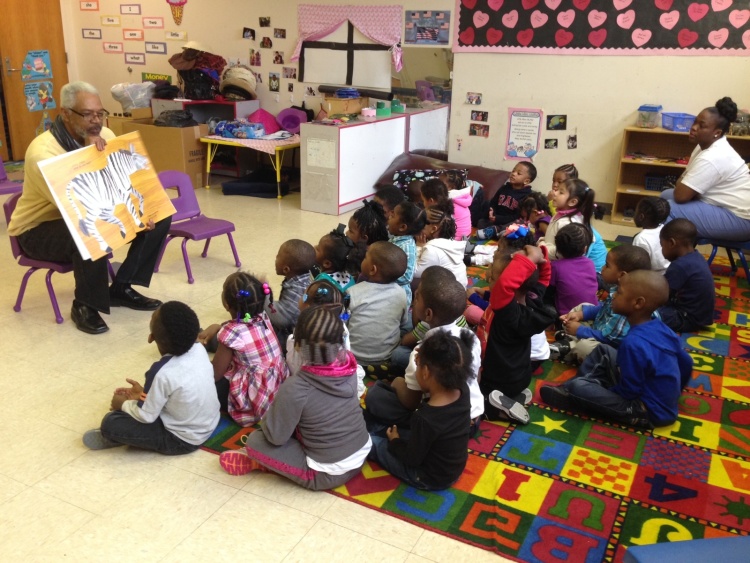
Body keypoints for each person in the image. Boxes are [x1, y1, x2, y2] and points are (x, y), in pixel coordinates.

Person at [7, 81, 170, 335]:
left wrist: (142, 214)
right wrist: (87, 153)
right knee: (88, 230)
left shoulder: (105, 135)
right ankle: (85, 304)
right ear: (65, 114)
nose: (96, 121)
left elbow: (120, 181)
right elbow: (78, 207)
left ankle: (121, 287)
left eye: (100, 113)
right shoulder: (42, 153)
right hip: (36, 229)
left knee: (159, 216)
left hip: (82, 214)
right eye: (87, 115)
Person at [218, 305, 371, 491]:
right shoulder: (350, 366)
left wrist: (273, 416)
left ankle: (264, 463)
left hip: (324, 474)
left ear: (297, 346)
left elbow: (275, 437)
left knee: (255, 442)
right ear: (341, 341)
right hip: (361, 453)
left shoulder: (296, 387)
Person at [541, 270, 694, 429]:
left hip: (645, 410)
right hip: (653, 397)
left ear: (638, 303)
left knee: (579, 387)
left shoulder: (632, 343)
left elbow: (629, 391)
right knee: (604, 350)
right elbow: (686, 362)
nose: (613, 296)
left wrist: (607, 391)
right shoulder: (663, 328)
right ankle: (576, 389)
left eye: (619, 293)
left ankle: (574, 394)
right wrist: (673, 393)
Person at [83, 301, 220, 453]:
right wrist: (143, 394)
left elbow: (145, 416)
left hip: (182, 440)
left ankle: (116, 437)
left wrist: (122, 404)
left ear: (151, 338)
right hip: (211, 422)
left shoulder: (161, 372)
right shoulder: (199, 349)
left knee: (111, 423)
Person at [364, 266, 484, 431]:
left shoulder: (422, 353)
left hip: (443, 427)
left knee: (376, 396)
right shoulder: (470, 338)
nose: (414, 299)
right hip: (472, 419)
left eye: (417, 297)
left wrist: (398, 384)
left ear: (428, 314)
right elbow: (476, 376)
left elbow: (410, 402)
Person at [365, 330, 473, 490]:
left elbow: (411, 458)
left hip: (427, 476)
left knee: (374, 443)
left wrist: (394, 442)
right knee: (394, 430)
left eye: (418, 365)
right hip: (450, 466)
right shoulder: (462, 390)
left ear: (426, 372)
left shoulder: (425, 418)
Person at [198, 272, 289, 427]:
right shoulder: (263, 316)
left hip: (254, 399)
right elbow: (243, 325)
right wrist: (218, 327)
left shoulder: (231, 332)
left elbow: (215, 374)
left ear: (226, 304)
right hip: (278, 388)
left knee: (204, 386)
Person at [481, 245, 556, 424]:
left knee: (470, 395)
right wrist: (541, 259)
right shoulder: (532, 299)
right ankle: (513, 396)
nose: (487, 276)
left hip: (496, 380)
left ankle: (498, 409)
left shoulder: (507, 312)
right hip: (519, 376)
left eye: (493, 277)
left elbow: (503, 289)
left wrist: (529, 261)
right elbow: (544, 280)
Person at [661, 97, 750, 241]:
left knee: (666, 209)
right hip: (721, 205)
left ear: (717, 132)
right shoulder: (702, 146)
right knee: (665, 195)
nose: (694, 127)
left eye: (702, 126)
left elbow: (681, 195)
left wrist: (689, 190)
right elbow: (682, 184)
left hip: (740, 219)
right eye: (695, 122)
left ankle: (666, 256)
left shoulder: (713, 156)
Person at [553, 244, 652, 362]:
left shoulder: (629, 305)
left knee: (584, 348)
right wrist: (581, 314)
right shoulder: (617, 289)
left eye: (607, 265)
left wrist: (581, 330)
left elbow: (610, 339)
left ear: (622, 275)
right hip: (600, 329)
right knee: (582, 307)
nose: (603, 268)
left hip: (609, 344)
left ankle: (570, 345)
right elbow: (604, 308)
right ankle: (571, 339)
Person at [286, 279, 366, 397]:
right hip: (342, 377)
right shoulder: (342, 327)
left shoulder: (300, 334)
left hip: (311, 383)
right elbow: (346, 352)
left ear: (307, 306)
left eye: (303, 295)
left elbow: (295, 365)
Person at [347, 241, 410, 373]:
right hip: (386, 357)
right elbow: (402, 322)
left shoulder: (352, 292)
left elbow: (344, 320)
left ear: (372, 270)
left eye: (365, 257)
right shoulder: (401, 293)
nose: (362, 259)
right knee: (408, 322)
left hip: (354, 357)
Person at [543, 165, 607, 272]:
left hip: (592, 272)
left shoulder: (569, 223)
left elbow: (566, 252)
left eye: (560, 191)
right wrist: (544, 242)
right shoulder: (561, 214)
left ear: (573, 202)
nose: (554, 191)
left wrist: (543, 248)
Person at [657, 218, 715, 333]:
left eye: (662, 246)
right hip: (699, 316)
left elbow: (661, 296)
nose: (662, 250)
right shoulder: (696, 256)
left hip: (686, 318)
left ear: (672, 243)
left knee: (643, 312)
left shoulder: (680, 266)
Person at [266, 239, 315, 352]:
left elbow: (281, 319)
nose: (275, 257)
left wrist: (265, 296)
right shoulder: (304, 278)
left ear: (286, 269)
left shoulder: (297, 289)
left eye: (278, 256)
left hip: (292, 339)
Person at [548, 223, 599, 316]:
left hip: (566, 316)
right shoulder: (590, 263)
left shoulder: (555, 266)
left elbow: (548, 290)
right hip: (592, 312)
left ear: (557, 248)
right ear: (585, 249)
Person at [413, 208, 468, 288]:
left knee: (408, 282)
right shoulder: (447, 242)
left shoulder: (432, 249)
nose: (419, 225)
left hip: (447, 295)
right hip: (460, 291)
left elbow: (415, 272)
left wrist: (418, 247)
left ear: (433, 229)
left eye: (423, 222)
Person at [476, 162, 536, 235]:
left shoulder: (526, 196)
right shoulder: (504, 188)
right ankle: (495, 232)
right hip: (495, 219)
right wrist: (492, 212)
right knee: (481, 221)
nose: (513, 174)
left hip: (509, 222)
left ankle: (496, 231)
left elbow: (517, 216)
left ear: (526, 181)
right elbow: (493, 203)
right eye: (513, 171)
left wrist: (498, 219)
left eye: (518, 173)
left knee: (517, 225)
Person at [387, 200, 427, 304]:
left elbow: (407, 276)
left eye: (393, 215)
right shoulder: (396, 238)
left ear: (402, 227)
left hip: (397, 297)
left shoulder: (406, 247)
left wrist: (384, 276)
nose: (389, 216)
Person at [313, 224, 367, 292]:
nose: (314, 247)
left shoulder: (322, 282)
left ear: (327, 263)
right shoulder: (350, 277)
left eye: (318, 249)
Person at [632, 197, 671, 275]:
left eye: (635, 212)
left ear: (641, 217)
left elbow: (638, 267)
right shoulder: (664, 229)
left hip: (651, 277)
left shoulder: (641, 238)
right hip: (668, 273)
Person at [439, 170, 479, 241]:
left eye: (441, 184)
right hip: (466, 238)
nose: (438, 186)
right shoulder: (462, 197)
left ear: (452, 187)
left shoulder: (449, 201)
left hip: (454, 240)